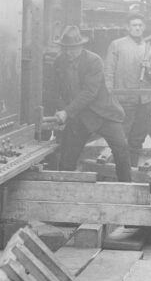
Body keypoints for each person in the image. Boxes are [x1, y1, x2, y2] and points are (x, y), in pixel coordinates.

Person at [50, 25, 132, 182]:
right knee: (67, 159)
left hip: (103, 113)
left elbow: (89, 93)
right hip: (79, 116)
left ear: (81, 46)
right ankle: (64, 191)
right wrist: (62, 110)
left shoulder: (94, 61)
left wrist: (67, 112)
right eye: (65, 48)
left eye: (73, 48)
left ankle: (126, 186)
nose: (69, 52)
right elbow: (55, 91)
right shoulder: (59, 62)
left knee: (121, 151)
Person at [104, 14, 151, 155]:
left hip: (145, 101)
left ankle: (132, 170)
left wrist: (148, 71)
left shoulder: (148, 47)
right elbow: (109, 73)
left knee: (138, 139)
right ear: (128, 27)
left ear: (144, 27)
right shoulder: (117, 45)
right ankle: (121, 173)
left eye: (140, 25)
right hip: (125, 100)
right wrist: (110, 97)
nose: (137, 28)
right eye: (134, 25)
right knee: (121, 139)